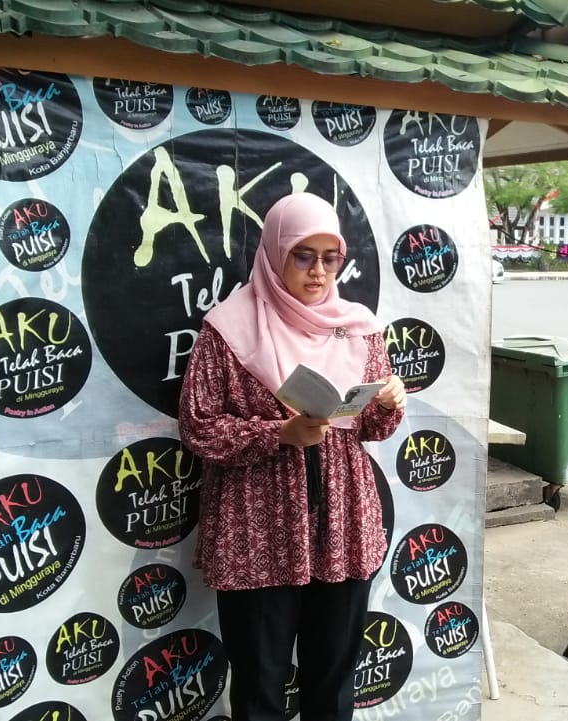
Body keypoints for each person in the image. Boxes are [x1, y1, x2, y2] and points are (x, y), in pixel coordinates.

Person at [178, 193, 406, 721]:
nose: (319, 271)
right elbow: (198, 427)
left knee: (334, 682)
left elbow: (370, 428)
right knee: (260, 686)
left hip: (343, 523)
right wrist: (278, 433)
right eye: (304, 256)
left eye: (330, 258)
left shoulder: (358, 327)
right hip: (257, 527)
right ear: (275, 253)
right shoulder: (228, 330)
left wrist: (388, 403)